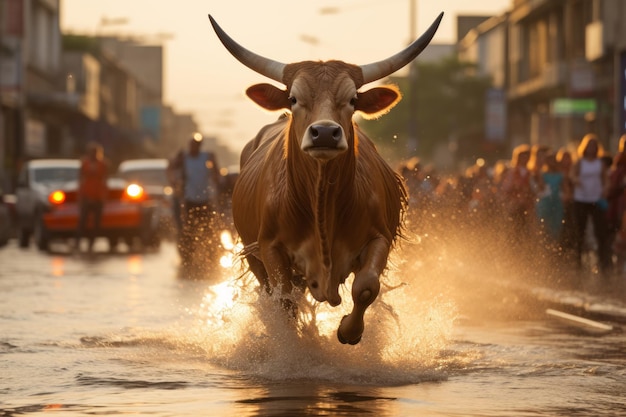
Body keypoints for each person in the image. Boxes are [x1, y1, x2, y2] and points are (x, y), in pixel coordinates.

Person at [168, 133, 221, 267]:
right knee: (188, 229)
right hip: (189, 200)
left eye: (197, 145)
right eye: (192, 145)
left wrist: (216, 177)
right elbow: (170, 167)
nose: (194, 147)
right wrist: (173, 182)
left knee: (208, 228)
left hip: (205, 199)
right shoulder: (183, 157)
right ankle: (187, 256)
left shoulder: (207, 157)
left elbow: (216, 172)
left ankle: (211, 255)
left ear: (200, 146)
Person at [571, 133, 611, 275]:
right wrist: (576, 180)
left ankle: (603, 262)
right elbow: (573, 175)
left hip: (596, 198)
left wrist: (606, 188)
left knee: (600, 231)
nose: (591, 149)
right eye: (589, 146)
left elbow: (605, 179)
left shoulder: (599, 163)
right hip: (581, 198)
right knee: (580, 231)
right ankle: (578, 262)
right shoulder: (580, 162)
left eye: (594, 146)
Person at [75, 142, 109, 253]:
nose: (93, 154)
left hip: (98, 197)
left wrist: (104, 196)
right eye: (91, 152)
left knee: (96, 223)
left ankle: (91, 244)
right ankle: (78, 243)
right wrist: (80, 196)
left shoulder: (103, 164)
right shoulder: (84, 163)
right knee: (82, 222)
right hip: (86, 196)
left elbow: (105, 180)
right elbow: (80, 179)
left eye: (95, 152)